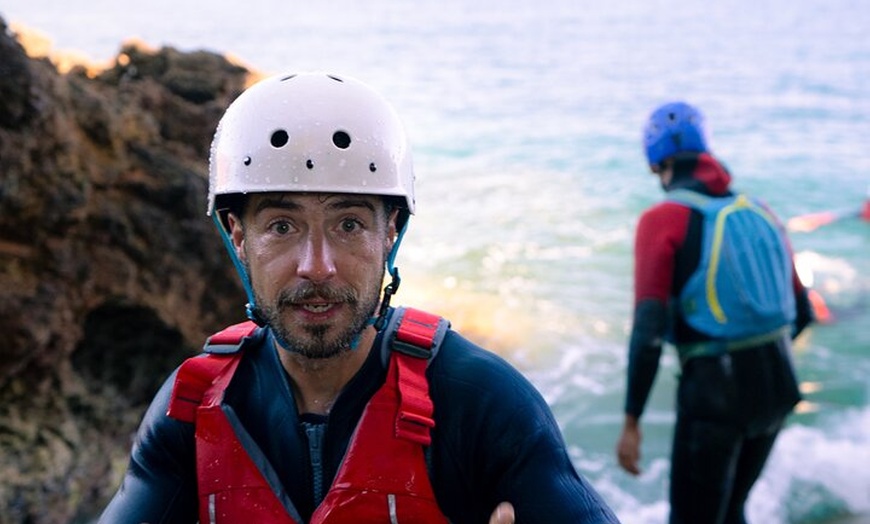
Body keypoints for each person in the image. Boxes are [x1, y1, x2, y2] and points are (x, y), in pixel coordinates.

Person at [99, 72, 621, 524]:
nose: (317, 265)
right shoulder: (189, 409)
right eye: (282, 226)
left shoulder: (481, 405)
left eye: (348, 224)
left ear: (390, 233)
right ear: (237, 236)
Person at [615, 101, 814, 524]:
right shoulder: (761, 211)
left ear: (658, 165)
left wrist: (632, 421)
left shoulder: (663, 219)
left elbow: (648, 331)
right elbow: (803, 312)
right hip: (779, 387)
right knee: (731, 508)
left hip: (715, 397)